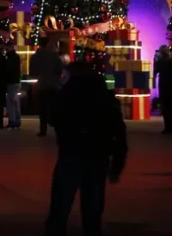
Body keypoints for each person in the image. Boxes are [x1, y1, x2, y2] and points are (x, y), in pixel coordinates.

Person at [45, 61, 128, 236]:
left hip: (71, 152)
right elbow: (118, 130)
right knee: (93, 207)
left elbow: (52, 117)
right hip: (98, 154)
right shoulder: (104, 93)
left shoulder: (66, 93)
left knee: (60, 205)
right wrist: (118, 163)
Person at [31, 36, 64, 137]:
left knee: (43, 108)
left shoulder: (36, 56)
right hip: (54, 85)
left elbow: (33, 72)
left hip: (42, 85)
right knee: (54, 107)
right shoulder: (55, 56)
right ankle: (57, 126)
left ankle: (43, 129)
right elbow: (60, 70)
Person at [154, 46, 172, 135]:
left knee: (165, 107)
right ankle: (170, 128)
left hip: (163, 85)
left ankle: (167, 127)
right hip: (171, 85)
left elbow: (155, 72)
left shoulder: (160, 62)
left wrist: (155, 61)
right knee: (170, 107)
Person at [4, 43, 23, 130]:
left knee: (11, 101)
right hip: (15, 81)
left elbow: (8, 69)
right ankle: (17, 120)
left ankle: (13, 120)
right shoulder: (16, 57)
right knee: (15, 101)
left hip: (11, 81)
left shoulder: (9, 58)